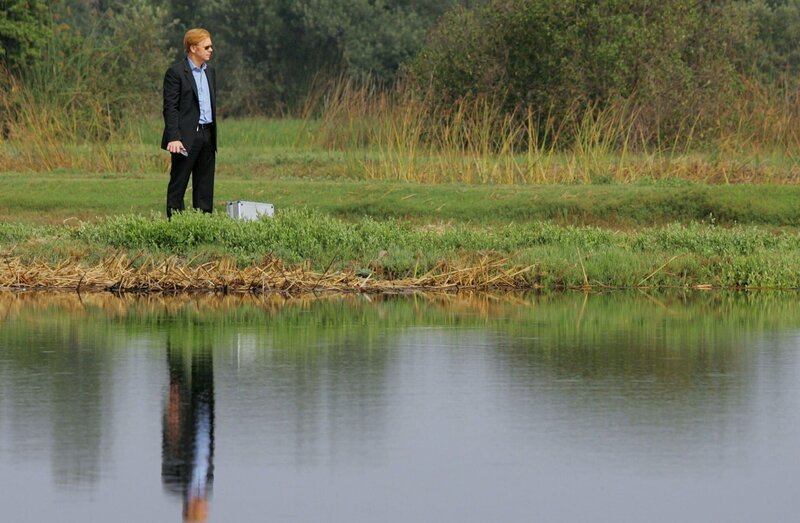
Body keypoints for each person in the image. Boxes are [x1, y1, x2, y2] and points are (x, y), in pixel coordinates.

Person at [161, 28, 218, 220]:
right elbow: (170, 108)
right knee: (179, 183)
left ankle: (203, 226)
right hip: (185, 137)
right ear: (193, 48)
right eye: (207, 46)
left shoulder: (210, 72)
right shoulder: (176, 73)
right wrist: (174, 137)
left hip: (207, 135)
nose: (211, 50)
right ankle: (177, 226)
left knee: (204, 185)